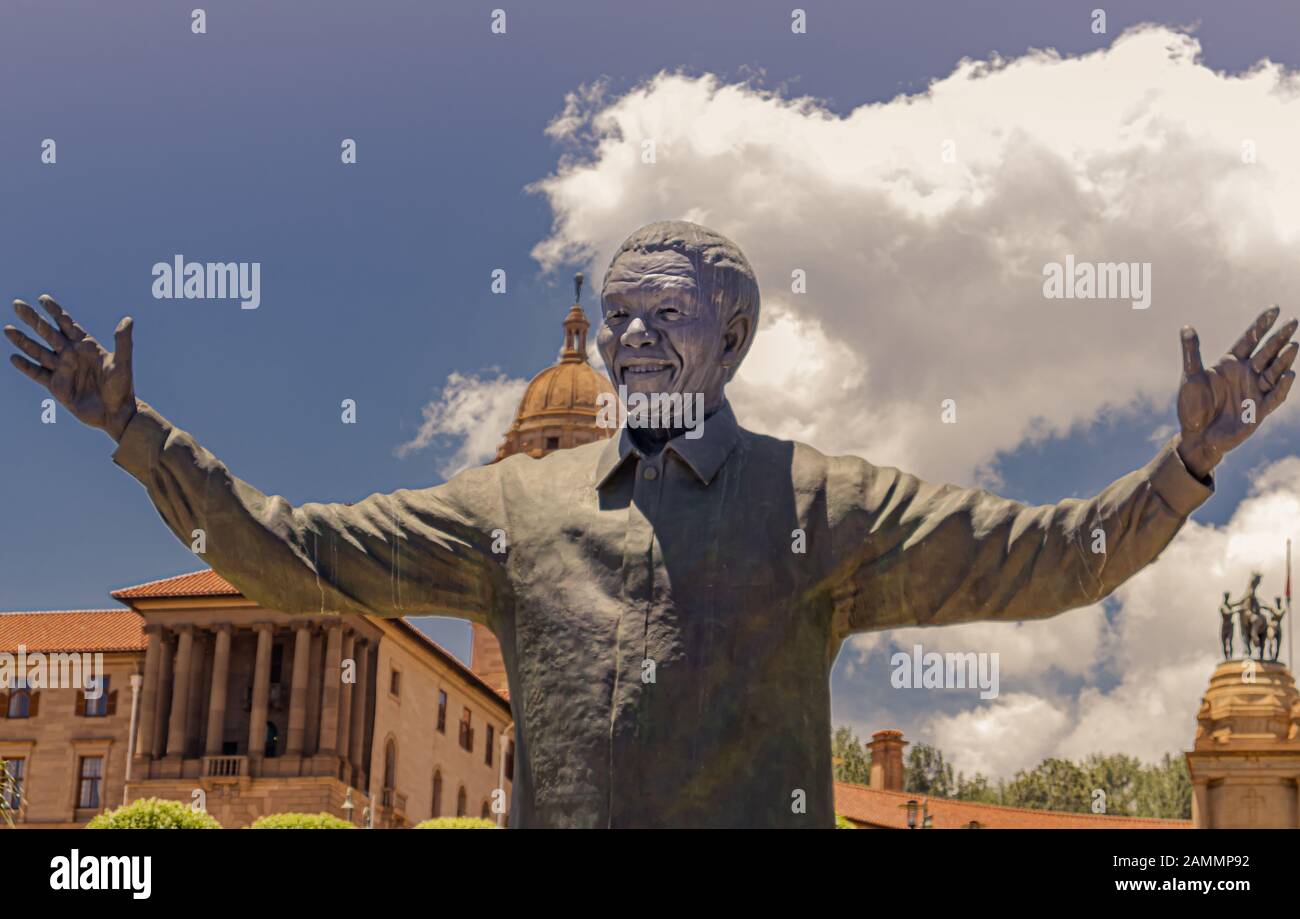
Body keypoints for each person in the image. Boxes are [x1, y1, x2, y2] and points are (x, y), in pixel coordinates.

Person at [6, 220, 1297, 827]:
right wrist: (137, 436)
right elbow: (292, 554)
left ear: (730, 337)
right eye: (617, 314)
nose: (629, 336)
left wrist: (1183, 465)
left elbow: (1045, 562)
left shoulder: (821, 502)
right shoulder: (512, 506)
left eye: (663, 314)